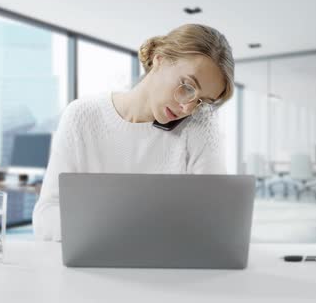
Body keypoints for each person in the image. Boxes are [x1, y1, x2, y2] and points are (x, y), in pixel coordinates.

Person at [32, 24, 235, 241]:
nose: (187, 108)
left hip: (168, 268)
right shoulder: (81, 116)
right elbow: (46, 215)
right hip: (93, 264)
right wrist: (114, 231)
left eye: (202, 101)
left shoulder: (200, 125)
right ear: (160, 60)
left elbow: (214, 220)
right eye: (187, 87)